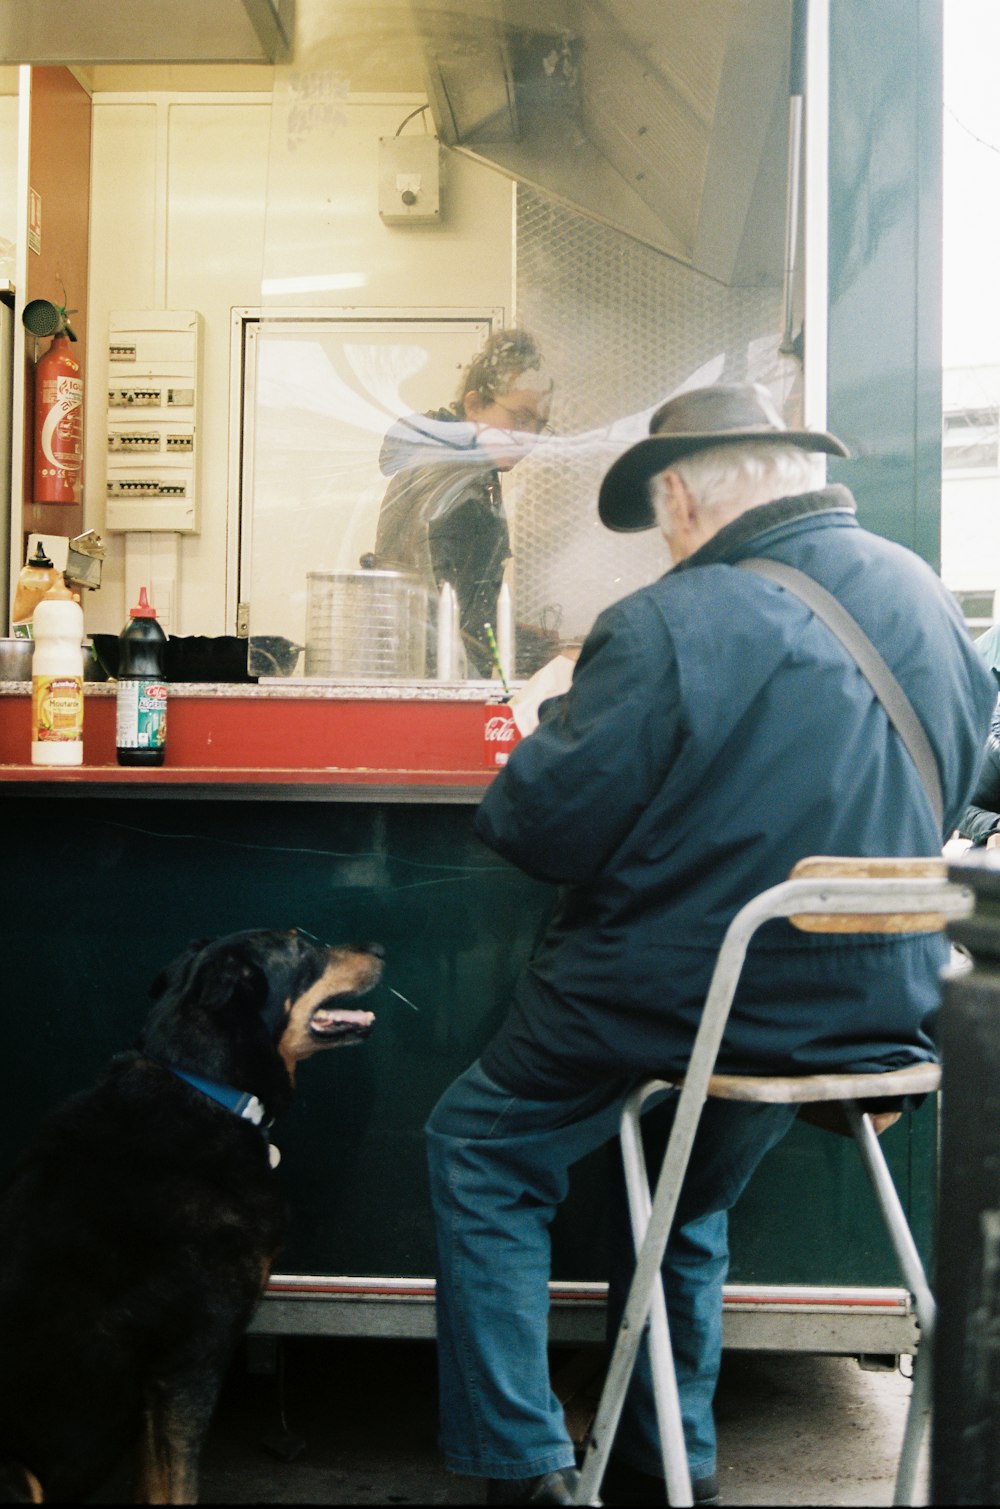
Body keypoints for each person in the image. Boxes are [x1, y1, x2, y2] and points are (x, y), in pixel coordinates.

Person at [424, 382, 995, 1506]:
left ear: (678, 494)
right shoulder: (923, 594)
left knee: (481, 1147)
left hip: (680, 1005)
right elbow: (979, 780)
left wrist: (557, 715)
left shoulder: (666, 622)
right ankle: (658, 1461)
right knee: (680, 1191)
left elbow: (535, 828)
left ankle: (521, 1469)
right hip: (880, 1010)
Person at [374, 327, 553, 677]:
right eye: (520, 418)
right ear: (473, 405)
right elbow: (436, 621)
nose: (528, 438)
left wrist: (522, 639)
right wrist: (521, 664)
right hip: (433, 693)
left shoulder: (460, 467)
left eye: (540, 425)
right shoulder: (451, 477)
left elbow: (463, 609)